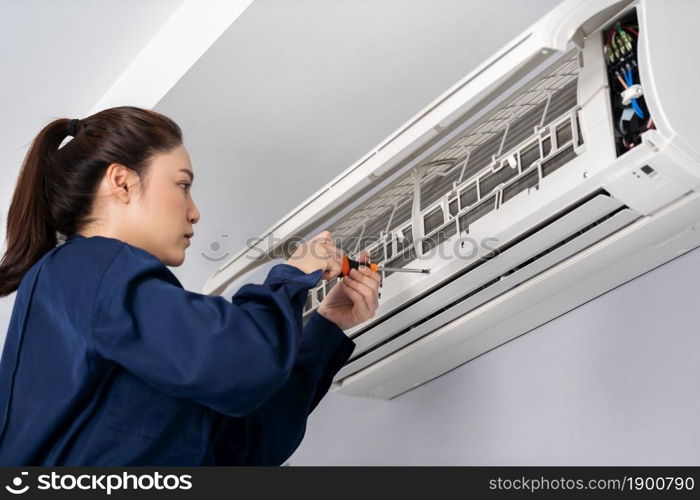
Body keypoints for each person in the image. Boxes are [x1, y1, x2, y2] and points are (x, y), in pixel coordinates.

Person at [0, 106, 381, 465]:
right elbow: (243, 364)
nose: (194, 211)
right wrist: (293, 276)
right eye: (183, 185)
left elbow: (237, 447)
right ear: (121, 183)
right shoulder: (88, 266)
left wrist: (326, 328)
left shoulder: (87, 291)